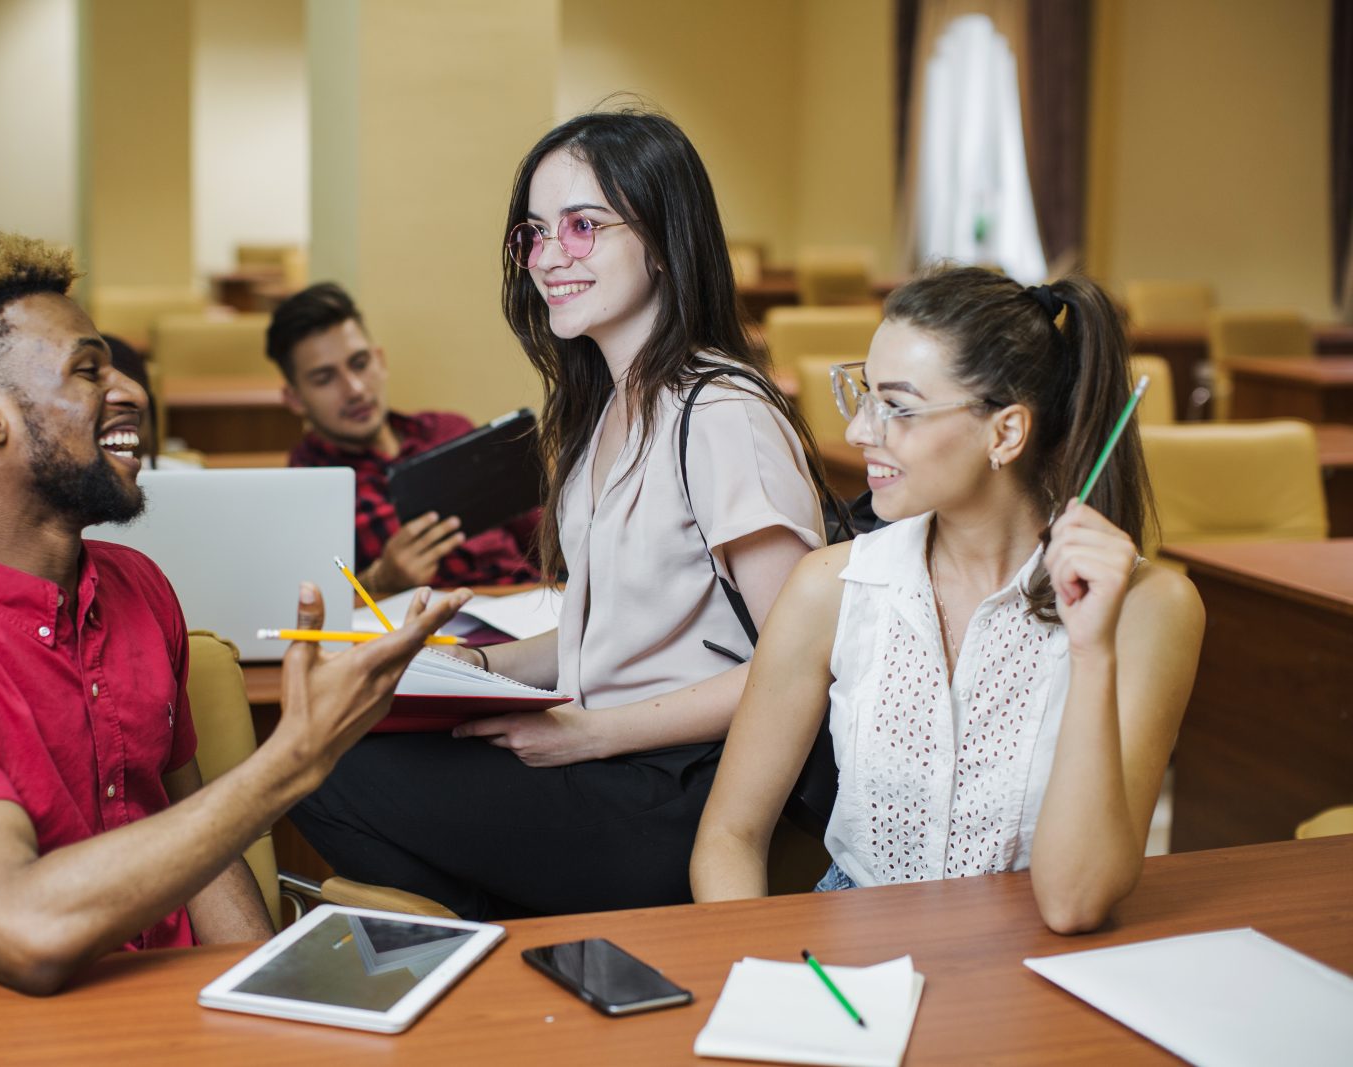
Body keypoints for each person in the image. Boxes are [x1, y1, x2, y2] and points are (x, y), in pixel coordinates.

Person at [0, 232, 466, 1067]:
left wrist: (269, 1019)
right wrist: (295, 758)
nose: (130, 389)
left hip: (197, 1022)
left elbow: (196, 839)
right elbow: (23, 929)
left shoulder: (139, 589)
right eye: (88, 370)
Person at [289, 110, 838, 919]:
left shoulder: (719, 413)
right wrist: (480, 669)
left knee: (312, 765)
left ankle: (505, 945)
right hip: (613, 760)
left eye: (583, 227)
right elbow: (613, 624)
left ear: (661, 239)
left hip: (685, 782)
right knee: (334, 734)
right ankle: (520, 946)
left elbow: (803, 666)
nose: (549, 257)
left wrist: (593, 733)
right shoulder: (607, 408)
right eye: (534, 233)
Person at [690, 266, 1205, 934]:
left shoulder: (1149, 608)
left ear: (1005, 433)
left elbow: (1074, 902)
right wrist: (760, 971)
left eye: (898, 407)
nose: (858, 432)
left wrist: (1091, 647)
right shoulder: (829, 587)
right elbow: (729, 834)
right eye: (865, 396)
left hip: (1034, 968)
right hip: (854, 962)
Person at [265, 282, 540, 597]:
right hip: (430, 631)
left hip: (531, 604)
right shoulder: (304, 491)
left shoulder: (448, 431)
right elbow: (308, 609)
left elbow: (545, 540)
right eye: (325, 379)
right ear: (295, 398)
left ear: (379, 361)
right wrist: (379, 582)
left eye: (360, 363)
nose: (355, 389)